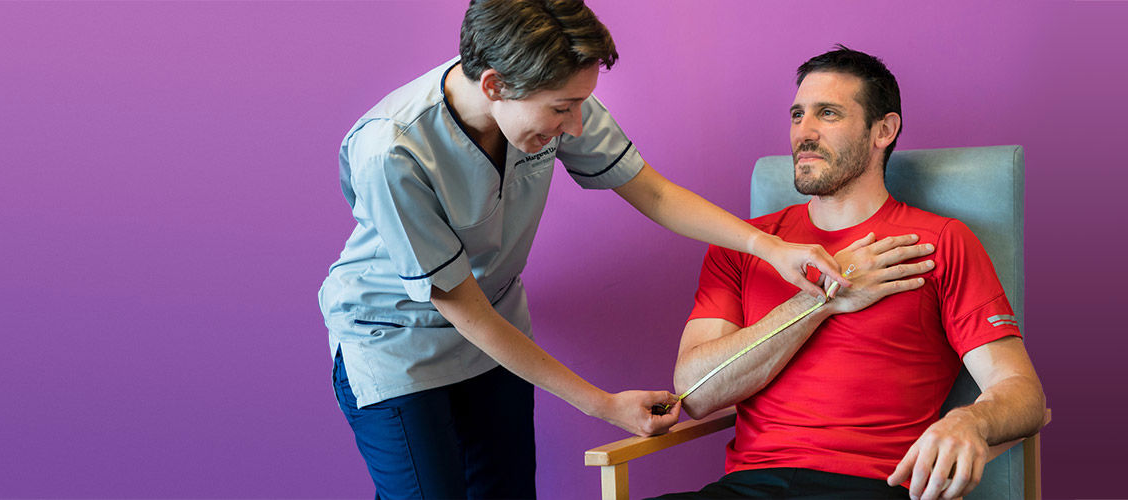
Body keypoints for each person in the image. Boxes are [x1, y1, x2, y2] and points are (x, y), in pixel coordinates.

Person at [318, 1, 847, 498]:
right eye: (563, 109)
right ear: (495, 85)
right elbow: (466, 311)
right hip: (397, 340)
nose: (575, 125)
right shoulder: (392, 150)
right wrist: (604, 405)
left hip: (496, 326)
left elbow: (654, 192)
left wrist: (770, 247)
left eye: (580, 104)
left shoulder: (547, 94)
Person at [658, 47, 1047, 500]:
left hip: (871, 486)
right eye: (797, 115)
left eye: (827, 114)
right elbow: (695, 392)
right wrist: (821, 299)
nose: (804, 132)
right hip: (749, 486)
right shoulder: (747, 244)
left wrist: (970, 420)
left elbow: (1022, 392)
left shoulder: (939, 242)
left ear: (884, 130)